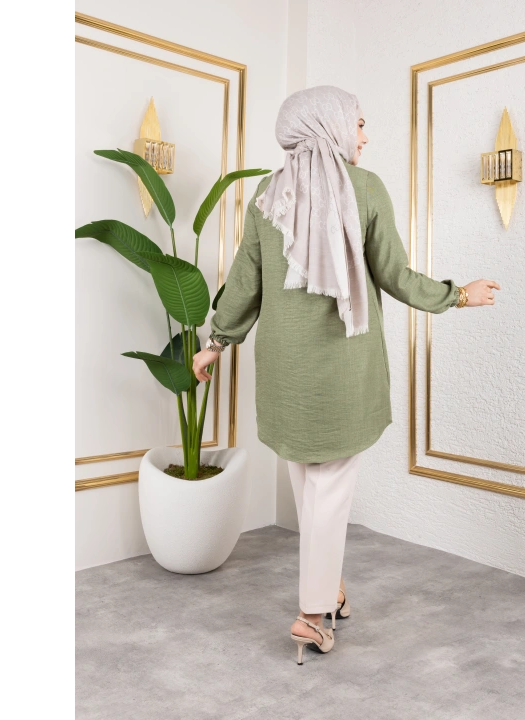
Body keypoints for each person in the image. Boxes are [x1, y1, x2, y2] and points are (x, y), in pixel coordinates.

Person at [192, 85, 500, 665]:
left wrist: (216, 342)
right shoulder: (365, 189)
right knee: (331, 489)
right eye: (357, 123)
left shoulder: (267, 195)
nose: (364, 135)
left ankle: (329, 588)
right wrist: (459, 294)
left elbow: (244, 284)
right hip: (341, 368)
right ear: (328, 125)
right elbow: (395, 275)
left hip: (285, 371)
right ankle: (311, 616)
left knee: (309, 482)